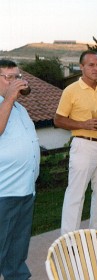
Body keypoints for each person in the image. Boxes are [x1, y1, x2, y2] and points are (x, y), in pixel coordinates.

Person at [54, 50, 97, 241]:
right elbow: (58, 120)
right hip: (83, 146)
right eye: (91, 65)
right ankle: (68, 240)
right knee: (76, 194)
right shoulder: (71, 90)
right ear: (81, 67)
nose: (96, 68)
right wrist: (83, 125)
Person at [0, 59, 40, 279]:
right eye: (8, 77)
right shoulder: (6, 104)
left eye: (17, 77)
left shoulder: (20, 109)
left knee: (17, 252)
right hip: (4, 192)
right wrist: (9, 98)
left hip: (25, 189)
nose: (14, 82)